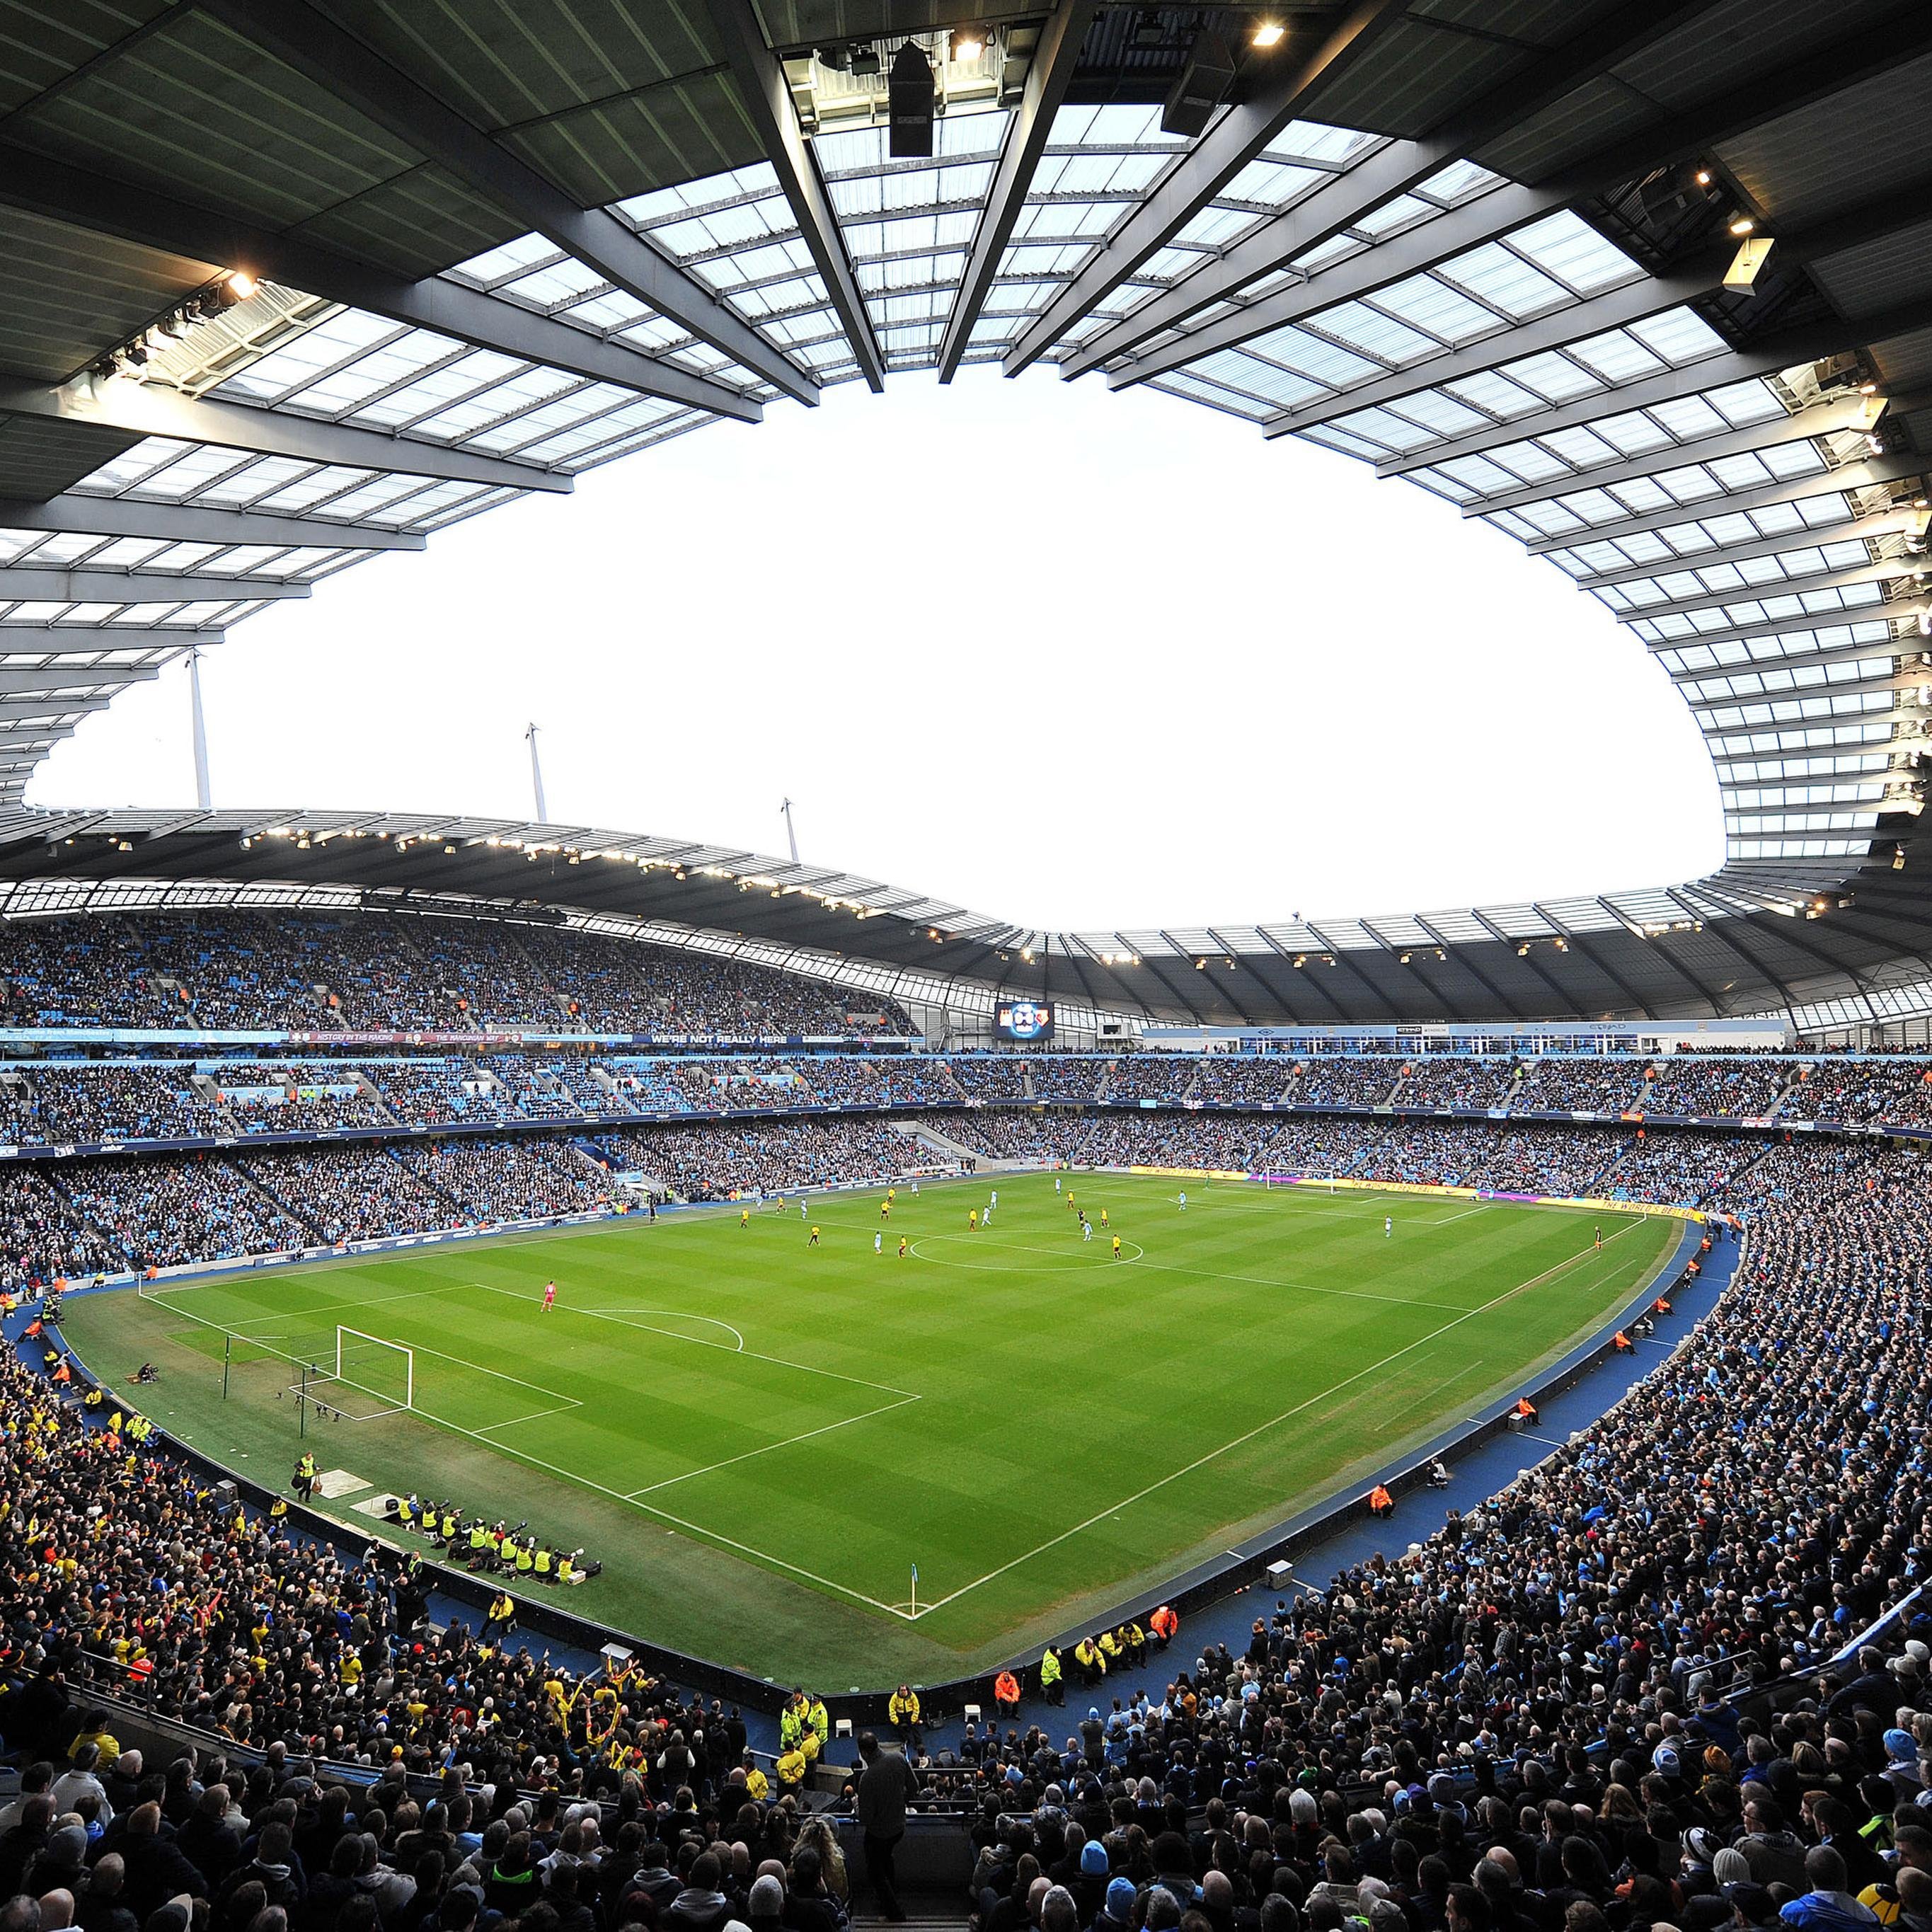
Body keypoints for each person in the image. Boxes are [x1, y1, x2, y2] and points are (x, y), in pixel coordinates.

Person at [856, 1730, 919, 1923]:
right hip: (899, 1827)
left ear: (864, 1753)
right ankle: (891, 1891)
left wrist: (857, 1806)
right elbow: (914, 1787)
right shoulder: (899, 1759)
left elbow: (865, 1819)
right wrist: (900, 1802)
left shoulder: (866, 1778)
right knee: (886, 1858)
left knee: (875, 1872)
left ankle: (894, 1912)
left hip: (879, 1833)